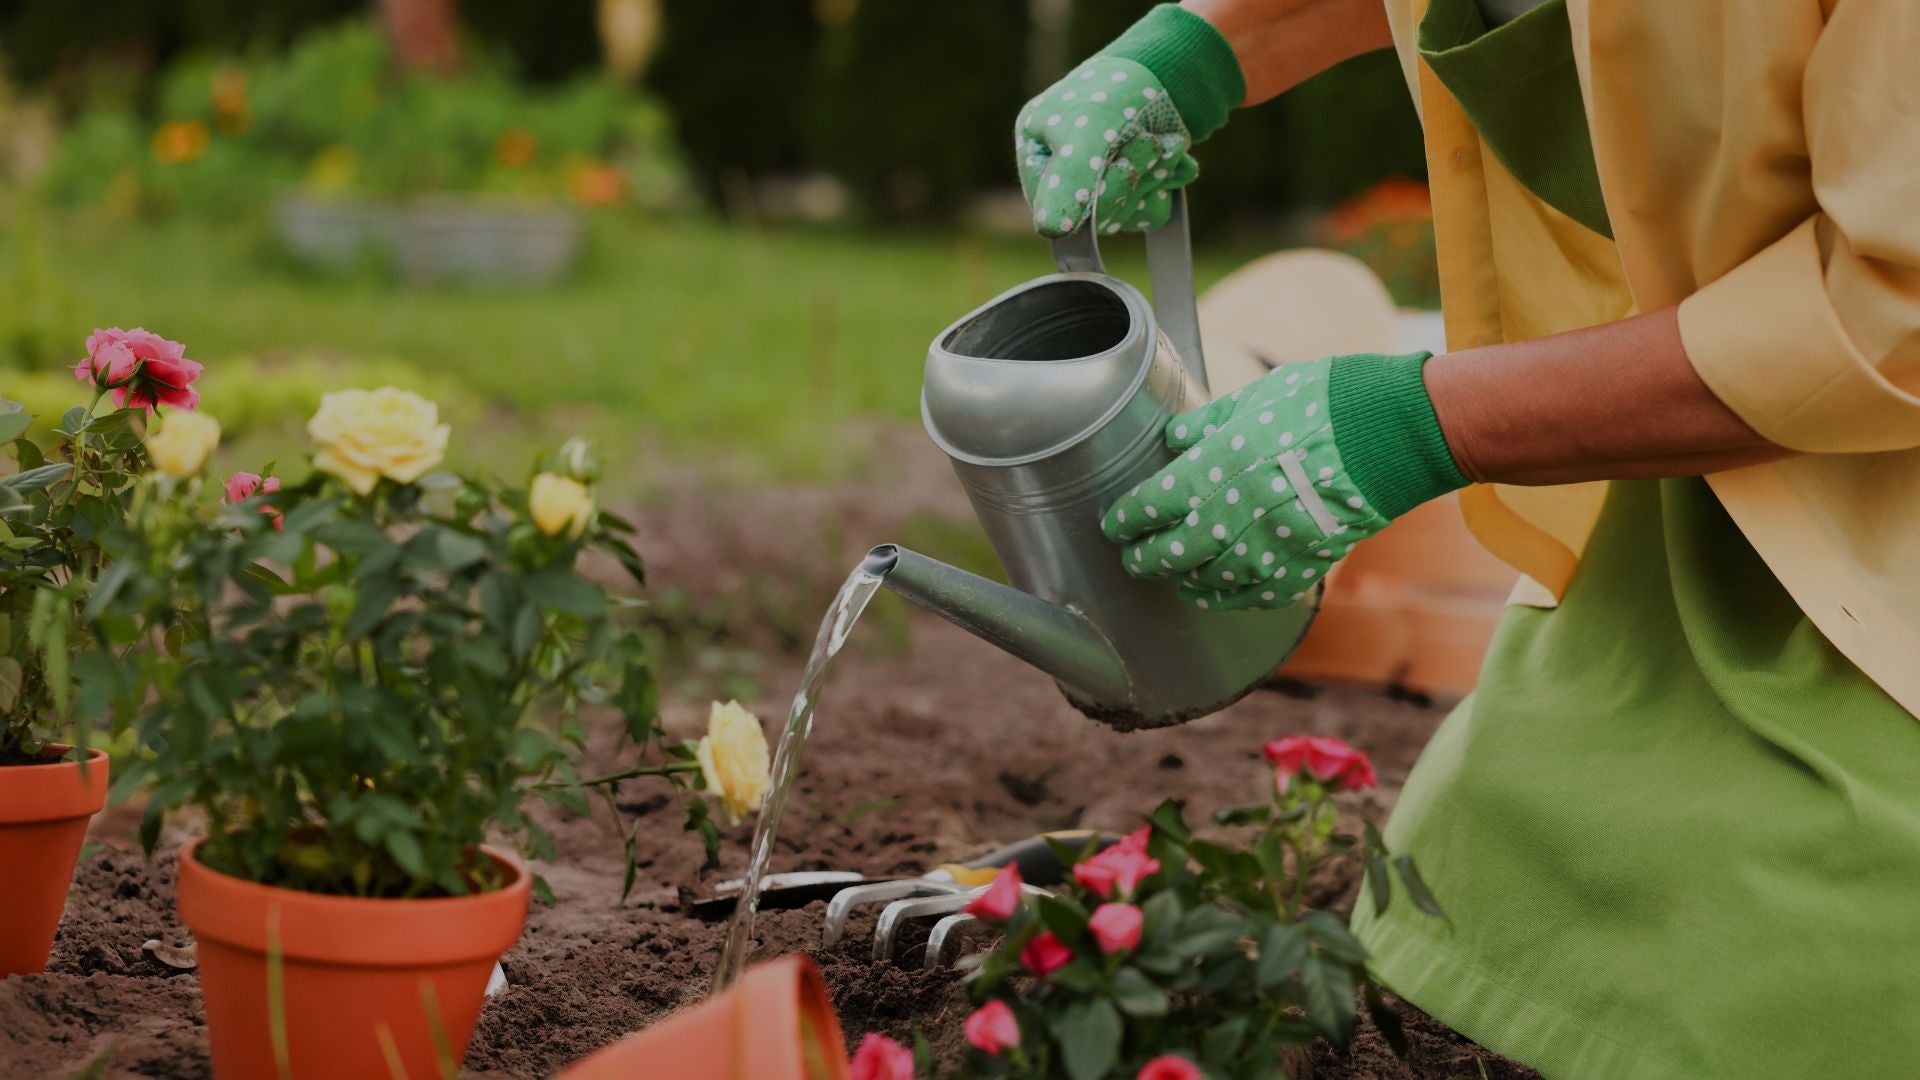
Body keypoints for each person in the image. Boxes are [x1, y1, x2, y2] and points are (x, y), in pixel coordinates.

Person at [1016, 1, 1920, 1076]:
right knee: (1488, 864)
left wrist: (1421, 424)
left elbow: (1895, 303)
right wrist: (1205, 47)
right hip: (1717, 485)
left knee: (1805, 959)